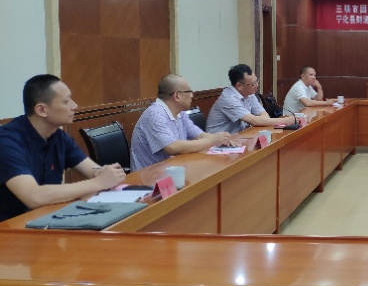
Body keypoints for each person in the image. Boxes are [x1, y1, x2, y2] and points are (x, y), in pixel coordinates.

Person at [0, 74, 126, 222]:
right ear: (42, 110)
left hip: (46, 218)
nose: (74, 106)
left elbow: (93, 171)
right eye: (66, 101)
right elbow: (33, 196)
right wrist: (98, 183)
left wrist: (105, 173)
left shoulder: (58, 136)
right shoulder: (7, 142)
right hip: (10, 226)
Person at [130, 74, 233, 170]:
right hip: (151, 176)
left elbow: (198, 135)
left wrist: (222, 139)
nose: (192, 95)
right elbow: (172, 147)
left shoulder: (180, 112)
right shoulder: (155, 114)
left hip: (174, 169)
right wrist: (211, 141)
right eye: (189, 91)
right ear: (177, 96)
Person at [206, 64, 295, 134]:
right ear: (239, 86)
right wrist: (285, 121)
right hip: (218, 144)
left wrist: (263, 121)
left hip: (240, 136)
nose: (257, 85)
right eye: (253, 84)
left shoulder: (249, 93)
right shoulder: (228, 99)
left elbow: (263, 114)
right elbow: (254, 121)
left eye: (257, 81)